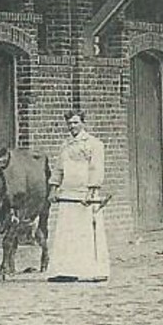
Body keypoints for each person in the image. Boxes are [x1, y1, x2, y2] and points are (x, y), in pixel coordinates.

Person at [47, 110, 110, 282]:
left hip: (85, 195)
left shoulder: (94, 144)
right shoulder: (65, 145)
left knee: (84, 232)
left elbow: (96, 168)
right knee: (67, 232)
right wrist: (53, 189)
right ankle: (66, 270)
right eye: (69, 123)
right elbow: (59, 169)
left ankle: (89, 271)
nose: (72, 126)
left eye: (75, 123)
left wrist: (91, 192)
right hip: (68, 193)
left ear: (83, 123)